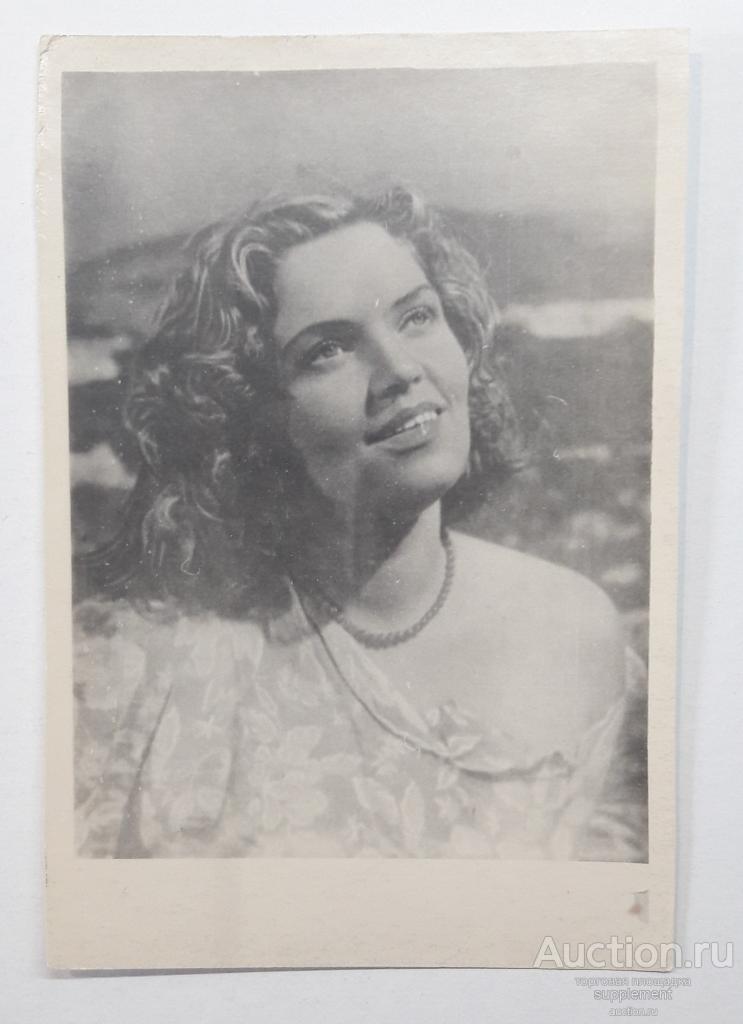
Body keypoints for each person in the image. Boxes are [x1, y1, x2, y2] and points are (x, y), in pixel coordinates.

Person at [73, 187, 647, 860]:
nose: (400, 370)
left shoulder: (573, 629)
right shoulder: (150, 668)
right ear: (250, 415)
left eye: (417, 317)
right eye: (328, 350)